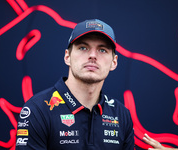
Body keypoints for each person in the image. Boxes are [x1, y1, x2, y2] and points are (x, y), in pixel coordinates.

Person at [15, 19, 134, 149]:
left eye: (102, 50)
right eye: (83, 48)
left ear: (114, 62)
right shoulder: (38, 110)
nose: (93, 55)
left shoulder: (121, 115)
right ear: (67, 57)